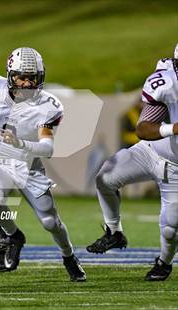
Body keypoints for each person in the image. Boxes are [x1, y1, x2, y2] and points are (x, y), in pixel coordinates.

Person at [0, 47, 86, 281]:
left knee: (50, 221)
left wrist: (20, 143)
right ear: (10, 76)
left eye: (32, 78)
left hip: (29, 165)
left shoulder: (49, 105)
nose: (27, 84)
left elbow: (48, 148)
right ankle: (14, 236)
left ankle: (69, 256)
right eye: (22, 78)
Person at [87, 44, 178, 281]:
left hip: (177, 168)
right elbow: (143, 129)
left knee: (170, 227)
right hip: (150, 151)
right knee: (104, 178)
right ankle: (114, 232)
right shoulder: (166, 83)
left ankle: (163, 264)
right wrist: (174, 128)